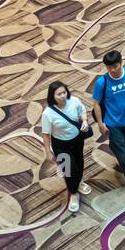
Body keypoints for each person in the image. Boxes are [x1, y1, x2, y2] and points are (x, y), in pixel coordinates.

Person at [91, 50, 125, 197]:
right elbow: (96, 104)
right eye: (109, 67)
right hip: (112, 123)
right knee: (121, 152)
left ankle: (116, 149)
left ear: (121, 63)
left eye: (115, 66)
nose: (112, 70)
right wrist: (101, 124)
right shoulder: (102, 82)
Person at [40, 81, 93, 213]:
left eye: (64, 92)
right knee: (69, 171)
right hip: (61, 145)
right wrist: (47, 151)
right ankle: (74, 193)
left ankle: (79, 183)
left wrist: (85, 121)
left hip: (77, 140)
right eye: (59, 94)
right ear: (52, 96)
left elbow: (82, 111)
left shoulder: (74, 101)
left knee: (79, 164)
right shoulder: (48, 113)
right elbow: (46, 134)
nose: (63, 96)